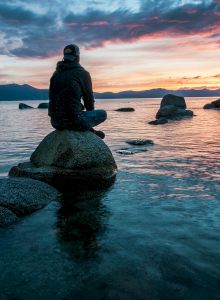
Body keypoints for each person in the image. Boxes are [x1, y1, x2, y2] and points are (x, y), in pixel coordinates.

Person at [48, 44, 106, 139]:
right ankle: (89, 130)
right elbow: (89, 100)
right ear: (78, 57)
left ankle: (89, 130)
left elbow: (52, 97)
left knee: (77, 113)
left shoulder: (56, 74)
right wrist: (88, 115)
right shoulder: (82, 73)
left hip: (55, 122)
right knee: (103, 114)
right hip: (74, 121)